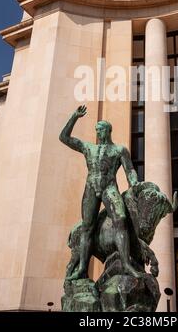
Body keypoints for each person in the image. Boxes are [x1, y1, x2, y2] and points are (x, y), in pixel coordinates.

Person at [59, 105, 141, 279]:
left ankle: (126, 263)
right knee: (87, 228)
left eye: (101, 130)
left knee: (121, 220)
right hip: (91, 188)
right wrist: (74, 116)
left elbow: (130, 170)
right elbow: (64, 137)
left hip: (109, 187)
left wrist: (134, 183)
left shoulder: (119, 150)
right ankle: (82, 268)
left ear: (108, 130)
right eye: (96, 130)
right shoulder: (89, 148)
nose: (98, 133)